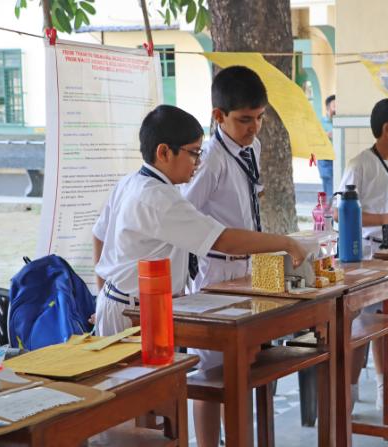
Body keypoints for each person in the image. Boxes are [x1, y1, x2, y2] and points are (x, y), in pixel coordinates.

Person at [92, 105, 307, 446]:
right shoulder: (158, 198)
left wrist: (104, 292)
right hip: (135, 313)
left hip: (127, 303)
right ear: (164, 152)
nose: (197, 162)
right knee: (136, 421)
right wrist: (284, 242)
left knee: (151, 411)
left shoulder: (132, 182)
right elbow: (222, 239)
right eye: (193, 153)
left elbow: (99, 235)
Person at [179, 66, 268, 446]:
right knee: (210, 371)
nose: (254, 128)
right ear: (219, 115)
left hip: (250, 268)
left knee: (245, 364)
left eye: (260, 118)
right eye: (245, 119)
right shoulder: (209, 160)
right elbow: (186, 217)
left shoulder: (251, 148)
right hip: (216, 272)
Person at [337, 98, 388, 410]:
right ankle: (351, 391)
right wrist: (386, 218)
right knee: (363, 324)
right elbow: (340, 213)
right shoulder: (360, 165)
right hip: (369, 254)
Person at [317, 94, 336, 197]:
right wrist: (326, 135)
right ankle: (329, 206)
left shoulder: (338, 122)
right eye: (334, 106)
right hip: (325, 159)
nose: (336, 109)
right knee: (328, 185)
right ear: (328, 108)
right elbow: (315, 138)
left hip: (337, 158)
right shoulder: (321, 122)